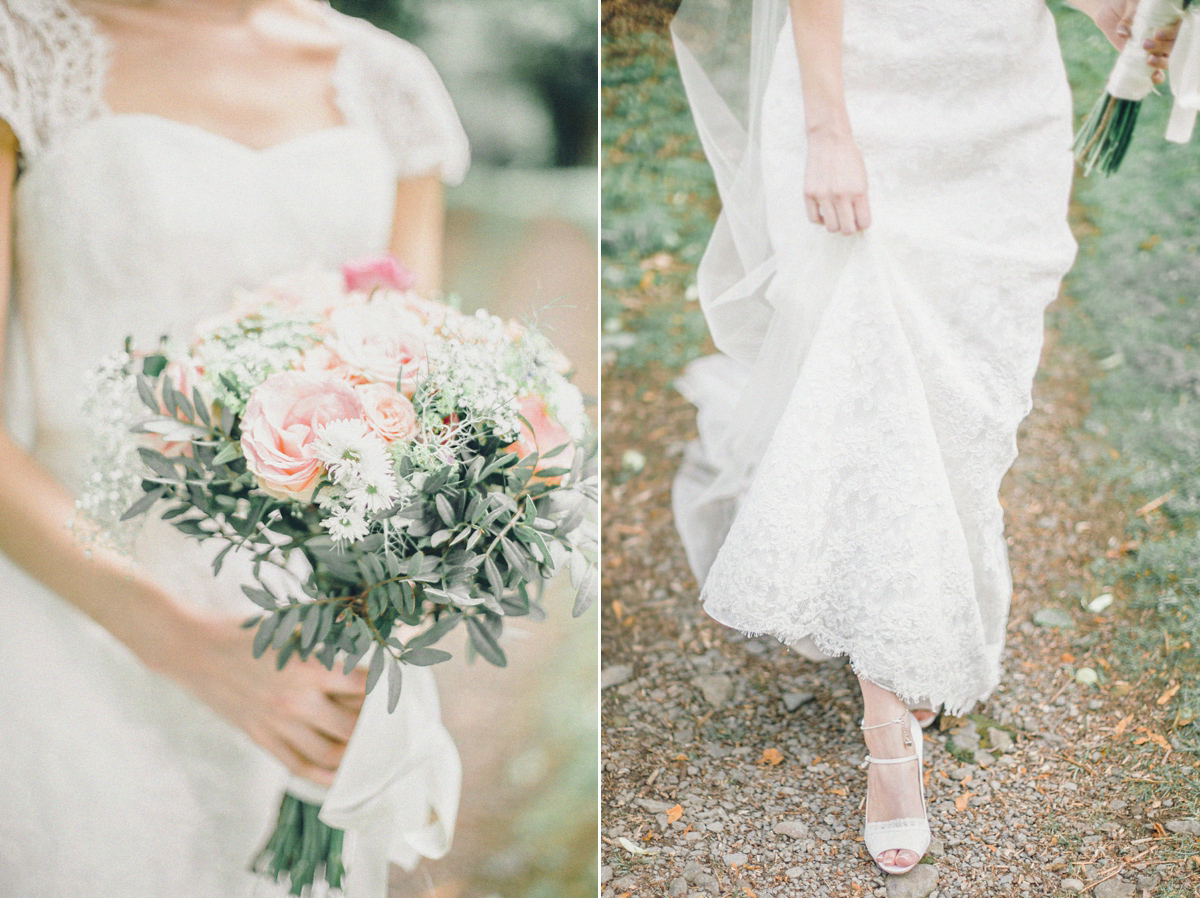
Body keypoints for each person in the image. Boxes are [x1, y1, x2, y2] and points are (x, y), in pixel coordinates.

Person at [670, 0, 1178, 876]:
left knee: (967, 403)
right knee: (873, 394)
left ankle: (918, 622)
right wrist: (830, 128)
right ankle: (890, 748)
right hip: (863, 91)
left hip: (1002, 101)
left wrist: (1110, 11)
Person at [0, 0, 469, 894]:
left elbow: (421, 391)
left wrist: (384, 591)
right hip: (64, 616)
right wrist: (189, 645)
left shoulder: (389, 82)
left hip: (308, 645)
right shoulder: (21, 53)